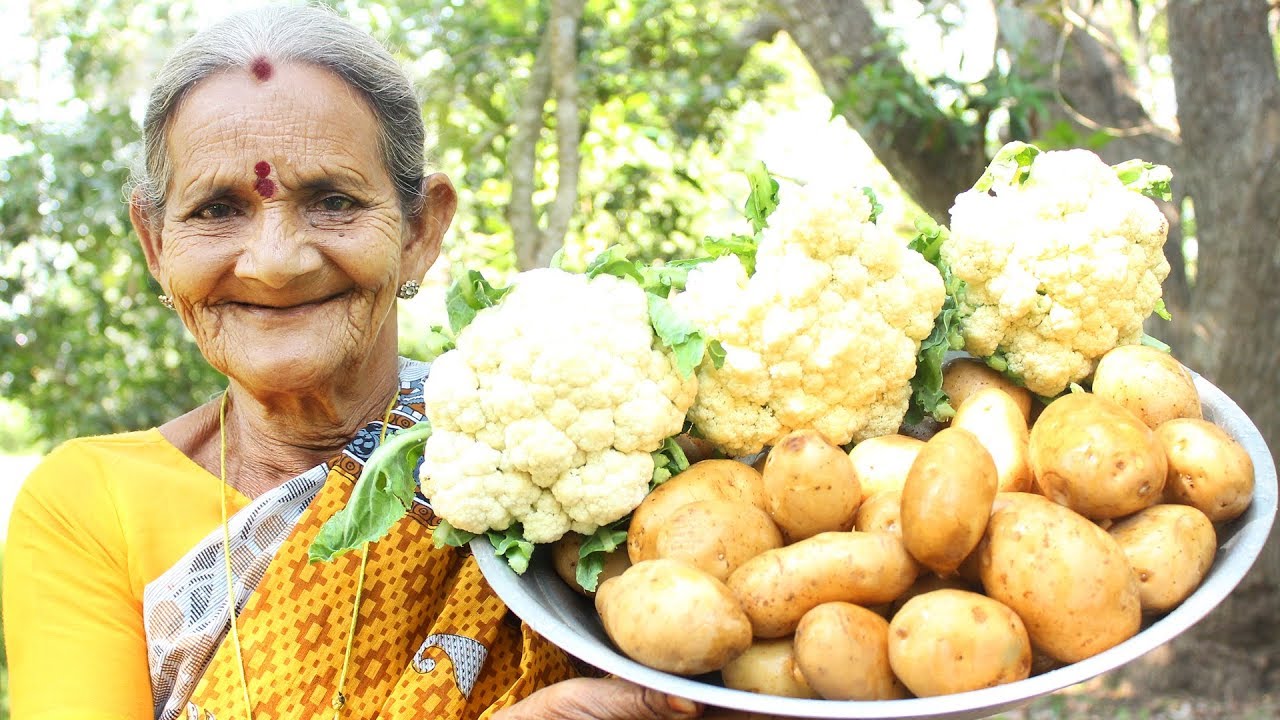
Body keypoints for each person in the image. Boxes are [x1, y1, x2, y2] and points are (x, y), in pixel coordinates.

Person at [2, 6, 763, 719]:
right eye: (217, 209)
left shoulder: (580, 471)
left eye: (332, 200)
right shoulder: (91, 504)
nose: (275, 262)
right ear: (157, 243)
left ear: (421, 230)